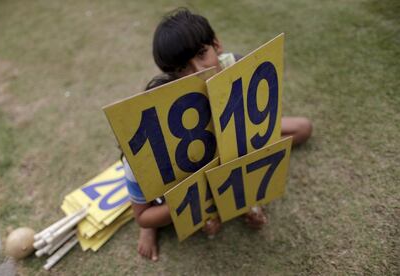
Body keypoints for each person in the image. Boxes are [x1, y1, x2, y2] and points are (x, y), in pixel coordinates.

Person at [126, 8, 313, 261]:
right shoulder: (167, 108)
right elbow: (185, 175)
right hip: (199, 162)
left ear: (216, 44)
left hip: (236, 138)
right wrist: (204, 210)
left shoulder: (234, 64)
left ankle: (234, 199)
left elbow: (255, 125)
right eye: (183, 68)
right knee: (154, 212)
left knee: (302, 128)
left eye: (202, 54)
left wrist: (251, 191)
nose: (198, 71)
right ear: (173, 73)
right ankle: (159, 226)